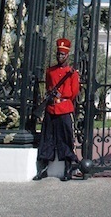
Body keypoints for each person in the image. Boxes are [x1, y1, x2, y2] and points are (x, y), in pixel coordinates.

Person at [33, 38, 80, 181]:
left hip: (64, 108)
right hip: (51, 108)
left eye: (63, 55)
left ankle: (68, 169)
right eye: (58, 54)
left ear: (67, 55)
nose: (60, 57)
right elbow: (48, 85)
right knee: (48, 138)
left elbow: (74, 92)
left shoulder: (72, 73)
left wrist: (62, 95)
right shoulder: (50, 71)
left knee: (65, 138)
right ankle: (44, 169)